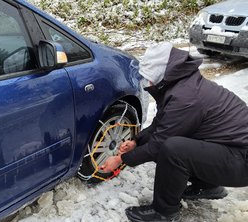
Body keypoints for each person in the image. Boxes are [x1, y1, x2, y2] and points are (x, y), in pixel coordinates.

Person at [100, 42, 248, 222]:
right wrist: (137, 141)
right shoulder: (182, 85)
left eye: (150, 77)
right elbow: (161, 123)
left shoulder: (186, 98)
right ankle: (208, 186)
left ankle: (163, 212)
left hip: (241, 161)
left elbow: (158, 145)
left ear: (163, 73)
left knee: (172, 150)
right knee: (178, 141)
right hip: (231, 150)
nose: (148, 83)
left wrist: (120, 159)